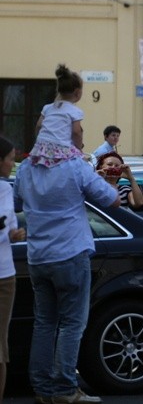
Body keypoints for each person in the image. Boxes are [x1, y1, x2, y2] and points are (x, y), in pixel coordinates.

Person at [14, 139, 120, 403]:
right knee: (72, 323)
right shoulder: (75, 165)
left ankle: (42, 388)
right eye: (78, 135)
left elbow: (16, 201)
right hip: (70, 254)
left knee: (45, 323)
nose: (83, 141)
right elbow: (112, 199)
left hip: (38, 256)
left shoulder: (27, 166)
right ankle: (64, 389)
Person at [0, 136, 26, 402]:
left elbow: (6, 228)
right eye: (10, 158)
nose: (13, 163)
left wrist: (14, 233)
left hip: (5, 274)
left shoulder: (6, 189)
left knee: (1, 346)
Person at [31, 64, 85, 168]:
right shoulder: (75, 111)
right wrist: (78, 147)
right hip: (60, 147)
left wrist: (41, 142)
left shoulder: (48, 108)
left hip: (41, 148)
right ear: (77, 92)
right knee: (81, 162)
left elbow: (38, 126)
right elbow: (76, 132)